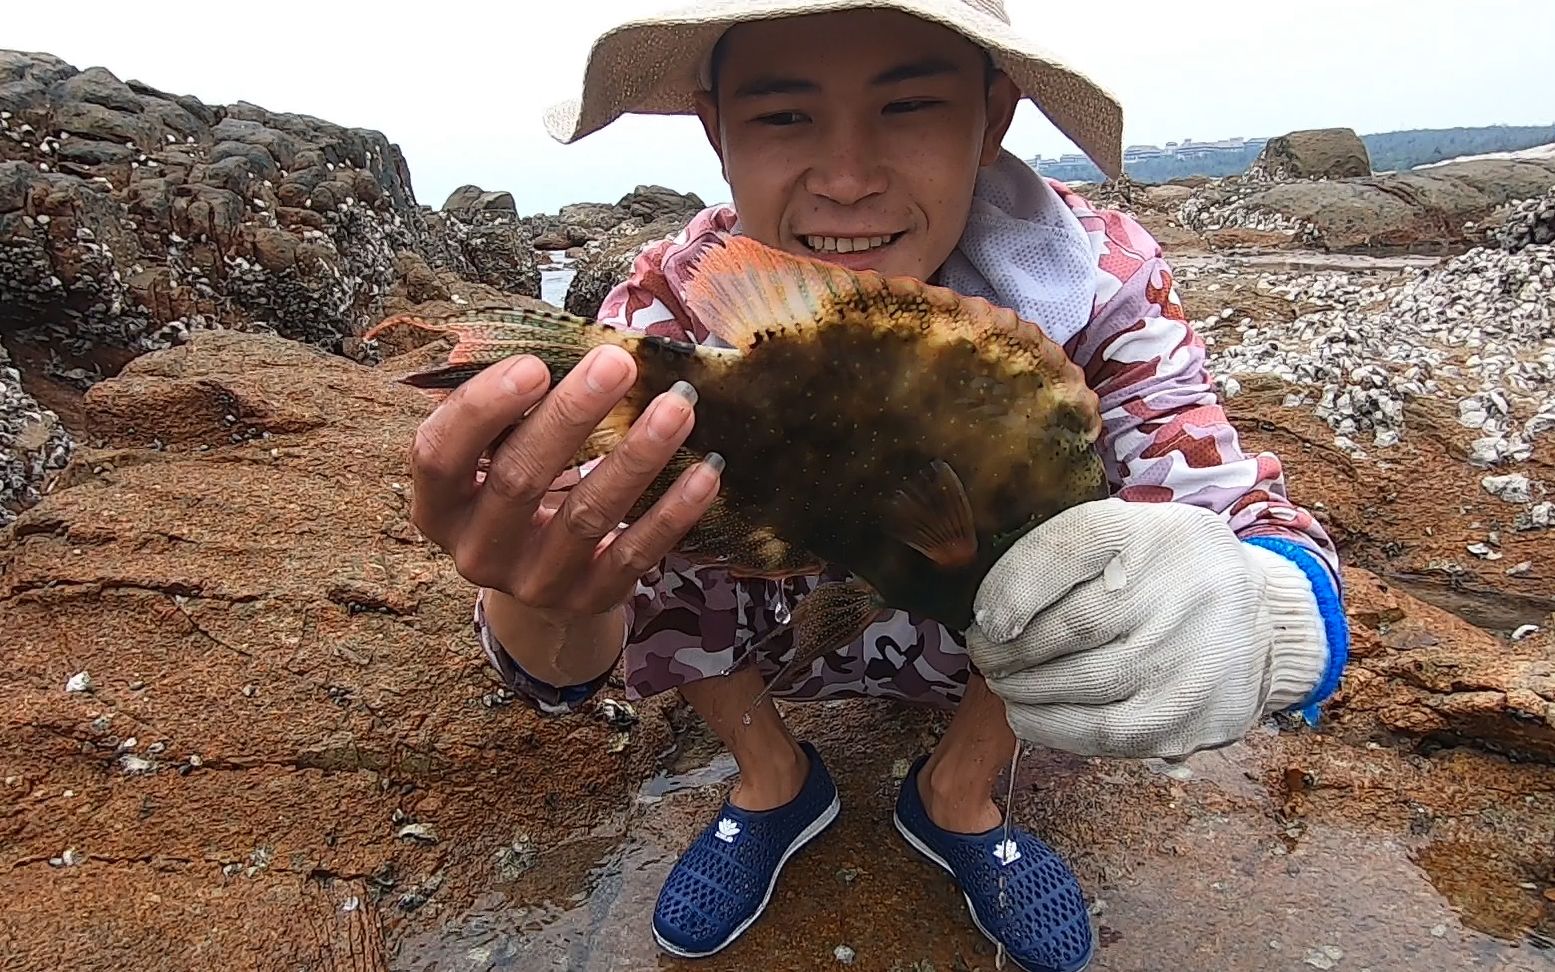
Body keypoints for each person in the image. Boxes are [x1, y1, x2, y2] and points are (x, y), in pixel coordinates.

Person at [406, 2, 1350, 970]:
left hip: (978, 645)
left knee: (1075, 529)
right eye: (783, 116)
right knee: (647, 484)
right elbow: (567, 624)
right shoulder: (666, 306)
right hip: (778, 627)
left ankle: (959, 791)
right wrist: (541, 596)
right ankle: (771, 776)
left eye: (908, 107)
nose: (847, 178)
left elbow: (1219, 496)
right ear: (715, 131)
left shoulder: (1098, 277)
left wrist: (1269, 610)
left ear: (991, 119)